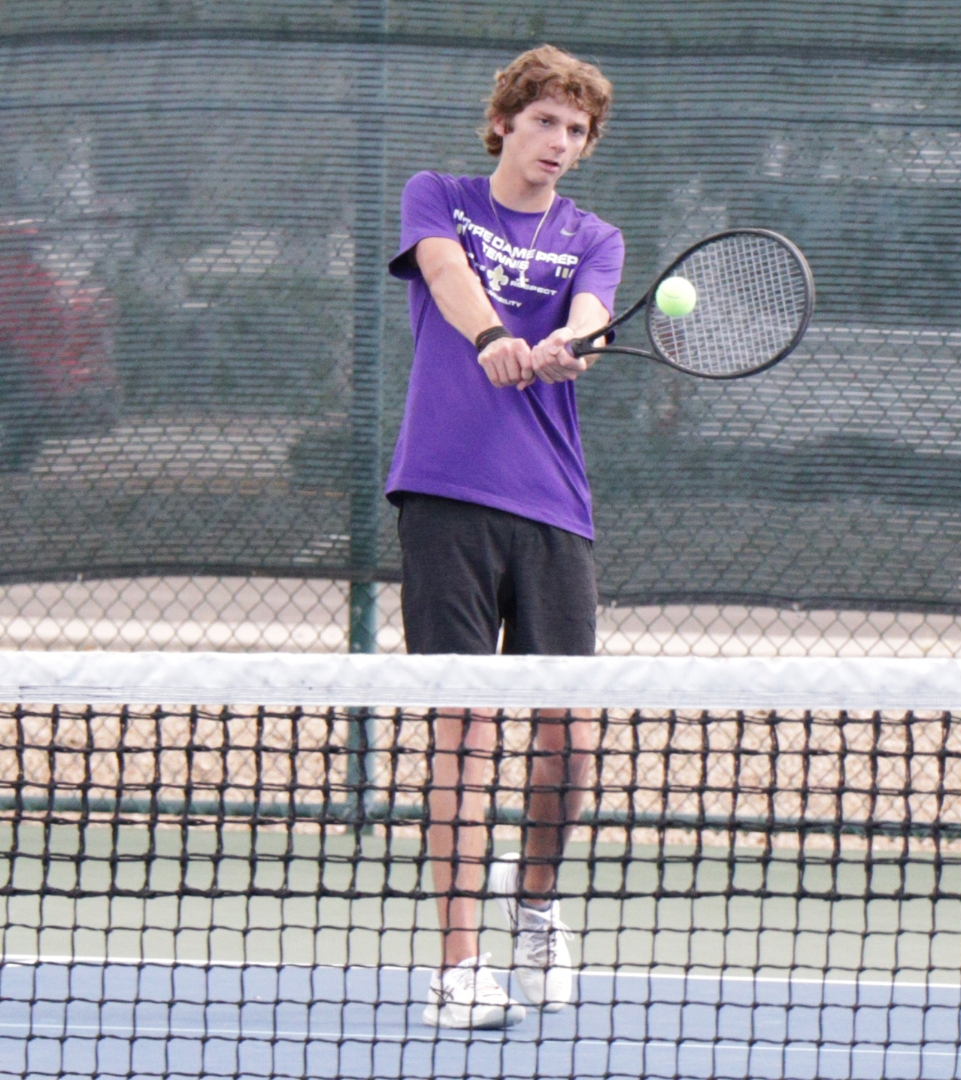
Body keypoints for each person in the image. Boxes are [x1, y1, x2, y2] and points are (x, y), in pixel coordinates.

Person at [386, 45, 624, 1030]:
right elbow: (445, 276)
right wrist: (493, 341)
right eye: (545, 122)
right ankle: (457, 967)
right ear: (504, 125)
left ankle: (535, 907)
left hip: (553, 507)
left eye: (576, 130)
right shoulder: (438, 194)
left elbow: (597, 317)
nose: (559, 143)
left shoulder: (594, 235)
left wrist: (574, 347)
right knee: (466, 726)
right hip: (445, 491)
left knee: (567, 736)